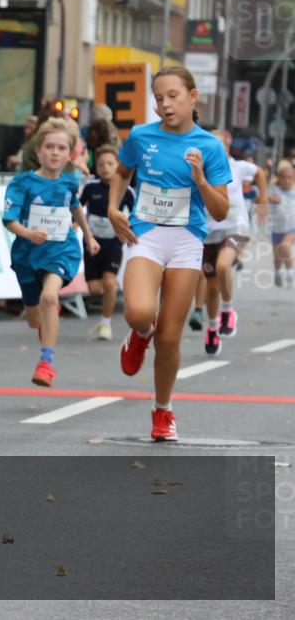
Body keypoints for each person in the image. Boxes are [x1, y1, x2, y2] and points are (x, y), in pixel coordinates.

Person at [108, 66, 230, 443]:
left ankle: (163, 410)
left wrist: (201, 182)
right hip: (145, 234)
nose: (164, 104)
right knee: (140, 312)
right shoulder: (142, 136)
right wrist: (114, 209)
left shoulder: (209, 146)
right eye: (158, 97)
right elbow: (122, 172)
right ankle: (140, 333)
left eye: (173, 96)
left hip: (187, 241)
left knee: (171, 339)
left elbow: (221, 210)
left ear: (193, 97)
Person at [3, 118, 100, 386]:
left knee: (49, 296)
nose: (55, 153)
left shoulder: (69, 183)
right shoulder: (22, 183)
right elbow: (9, 220)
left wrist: (88, 237)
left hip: (62, 249)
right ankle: (46, 316)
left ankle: (46, 363)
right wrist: (28, 234)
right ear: (39, 151)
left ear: (69, 154)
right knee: (35, 319)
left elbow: (75, 207)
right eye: (49, 147)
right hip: (28, 254)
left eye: (61, 148)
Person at [201, 129, 269, 355]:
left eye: (218, 144)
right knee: (211, 287)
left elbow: (260, 173)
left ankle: (228, 311)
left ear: (227, 148)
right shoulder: (201, 170)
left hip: (236, 226)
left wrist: (263, 202)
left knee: (223, 266)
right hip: (209, 232)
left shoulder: (237, 167)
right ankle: (212, 328)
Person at [79, 145, 135, 341]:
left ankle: (106, 323)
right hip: (92, 243)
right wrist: (74, 224)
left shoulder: (126, 191)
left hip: (113, 243)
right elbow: (77, 206)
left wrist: (130, 232)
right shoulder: (90, 187)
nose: (105, 168)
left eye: (110, 163)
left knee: (109, 282)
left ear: (118, 165)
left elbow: (135, 215)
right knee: (94, 289)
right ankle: (109, 292)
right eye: (101, 164)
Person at [269, 161, 295, 287]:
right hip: (276, 229)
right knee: (278, 257)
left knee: (285, 246)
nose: (287, 181)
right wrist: (270, 199)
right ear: (279, 178)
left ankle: (290, 271)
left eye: (290, 178)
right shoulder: (274, 191)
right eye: (283, 178)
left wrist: (282, 200)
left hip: (291, 227)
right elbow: (263, 200)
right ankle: (278, 272)